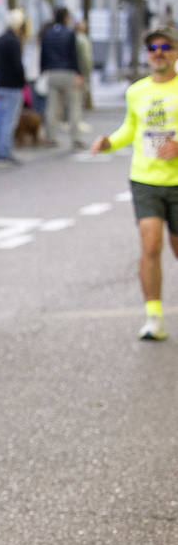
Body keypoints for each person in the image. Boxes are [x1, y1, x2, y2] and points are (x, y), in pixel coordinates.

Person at [91, 26, 178, 341]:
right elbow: (130, 127)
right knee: (150, 243)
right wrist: (109, 143)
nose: (159, 52)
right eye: (153, 47)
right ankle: (154, 316)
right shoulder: (136, 91)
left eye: (166, 46)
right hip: (145, 178)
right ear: (146, 55)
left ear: (176, 52)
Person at [40, 7, 83, 149]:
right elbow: (74, 55)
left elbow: (43, 55)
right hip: (68, 72)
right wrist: (78, 73)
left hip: (52, 72)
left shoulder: (47, 33)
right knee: (73, 106)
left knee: (51, 107)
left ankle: (51, 137)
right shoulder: (70, 33)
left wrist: (43, 71)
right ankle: (75, 138)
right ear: (65, 17)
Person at [0, 9, 28, 165]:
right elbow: (18, 66)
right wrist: (22, 80)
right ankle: (4, 153)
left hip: (1, 84)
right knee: (8, 120)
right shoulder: (14, 41)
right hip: (12, 85)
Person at [76, 19, 94, 111]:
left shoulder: (77, 37)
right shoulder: (82, 39)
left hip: (79, 70)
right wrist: (87, 69)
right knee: (78, 96)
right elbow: (85, 56)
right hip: (81, 71)